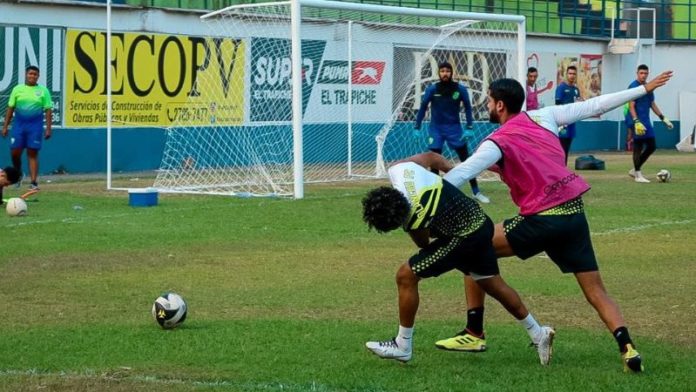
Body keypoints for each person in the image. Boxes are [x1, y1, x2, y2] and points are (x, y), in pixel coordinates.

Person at [438, 70, 673, 373]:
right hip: (574, 215)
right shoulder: (545, 116)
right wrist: (642, 89)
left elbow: (462, 173)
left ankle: (474, 334)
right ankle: (628, 348)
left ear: (499, 106)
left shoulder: (495, 141)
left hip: (542, 220)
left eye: (489, 101)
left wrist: (417, 194)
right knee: (596, 291)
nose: (487, 106)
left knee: (470, 247)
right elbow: (597, 105)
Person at [361, 152, 555, 365]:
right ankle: (538, 333)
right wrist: (451, 181)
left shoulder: (414, 215)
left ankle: (402, 345)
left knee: (406, 276)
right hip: (481, 221)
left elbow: (424, 244)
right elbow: (432, 157)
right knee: (492, 283)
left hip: (465, 236)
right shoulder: (400, 169)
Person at [414, 61, 490, 204]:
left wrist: (469, 127)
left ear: (452, 73)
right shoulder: (432, 89)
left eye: (447, 71)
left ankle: (476, 191)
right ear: (439, 73)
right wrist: (417, 127)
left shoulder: (460, 89)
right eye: (442, 71)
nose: (445, 73)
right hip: (436, 129)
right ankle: (435, 192)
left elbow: (468, 108)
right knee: (435, 161)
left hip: (454, 129)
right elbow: (423, 108)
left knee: (466, 160)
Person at [2, 65, 53, 191]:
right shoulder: (17, 89)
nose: (32, 76)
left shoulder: (43, 91)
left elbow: (48, 110)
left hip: (34, 127)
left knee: (32, 153)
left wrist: (48, 129)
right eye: (30, 74)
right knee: (15, 153)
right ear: (26, 75)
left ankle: (34, 183)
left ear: (38, 76)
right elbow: (10, 108)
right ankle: (18, 174)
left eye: (35, 74)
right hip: (19, 127)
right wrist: (5, 126)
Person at [624, 64, 674, 183]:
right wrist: (636, 121)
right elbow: (631, 105)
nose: (643, 75)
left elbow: (652, 104)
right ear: (637, 73)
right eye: (641, 73)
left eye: (645, 73)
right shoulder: (633, 86)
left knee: (652, 146)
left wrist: (663, 118)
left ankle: (635, 170)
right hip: (635, 120)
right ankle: (638, 175)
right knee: (638, 146)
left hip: (645, 120)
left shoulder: (648, 87)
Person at [555, 65, 583, 164]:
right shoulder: (561, 87)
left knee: (567, 148)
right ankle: (559, 170)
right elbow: (558, 104)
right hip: (563, 123)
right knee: (561, 148)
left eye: (574, 74)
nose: (572, 76)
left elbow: (578, 103)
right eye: (570, 73)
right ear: (566, 74)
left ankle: (563, 169)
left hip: (572, 123)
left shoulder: (576, 89)